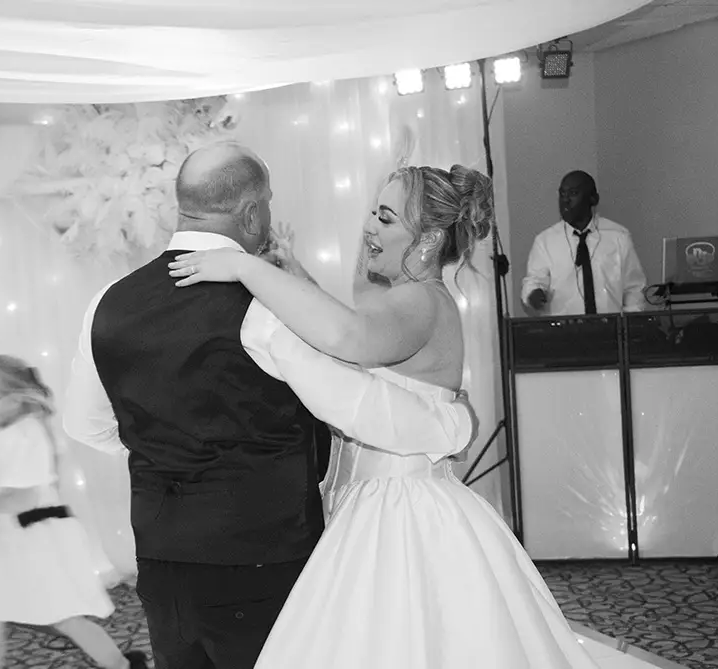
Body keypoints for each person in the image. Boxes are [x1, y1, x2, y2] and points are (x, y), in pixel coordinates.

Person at [168, 163, 602, 668]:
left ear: (429, 239)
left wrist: (247, 269)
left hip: (399, 514)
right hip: (376, 501)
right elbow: (354, 330)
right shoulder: (402, 298)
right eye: (374, 213)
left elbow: (348, 336)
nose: (370, 227)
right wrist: (295, 273)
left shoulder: (421, 300)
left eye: (387, 218)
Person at [63, 142, 476, 669]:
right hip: (261, 560)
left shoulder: (106, 302)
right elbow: (355, 405)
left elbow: (83, 425)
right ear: (251, 213)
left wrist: (166, 453)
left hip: (161, 561)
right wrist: (454, 423)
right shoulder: (266, 307)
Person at [0, 355, 147, 669]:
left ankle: (121, 665)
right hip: (16, 538)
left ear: (15, 399)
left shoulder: (25, 435)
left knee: (64, 616)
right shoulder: (9, 434)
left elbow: (22, 499)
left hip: (37, 541)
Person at [522, 170, 646, 316]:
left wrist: (629, 323)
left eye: (573, 193)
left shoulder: (618, 237)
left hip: (610, 326)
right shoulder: (545, 241)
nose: (565, 200)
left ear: (593, 199)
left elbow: (633, 288)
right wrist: (533, 294)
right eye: (562, 194)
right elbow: (534, 281)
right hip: (564, 328)